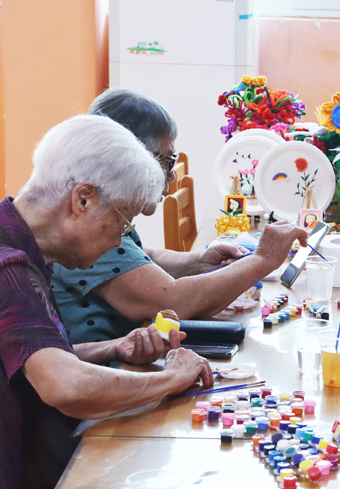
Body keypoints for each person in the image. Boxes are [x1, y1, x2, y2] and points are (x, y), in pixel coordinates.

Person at [0, 115, 215, 489]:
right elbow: (66, 387)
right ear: (83, 199)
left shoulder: (11, 238)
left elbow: (26, 362)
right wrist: (170, 379)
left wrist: (116, 348)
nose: (118, 241)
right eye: (121, 222)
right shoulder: (0, 266)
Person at [52, 88, 308, 344]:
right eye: (166, 162)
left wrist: (198, 261)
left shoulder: (103, 206)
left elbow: (141, 257)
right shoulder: (88, 219)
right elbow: (173, 302)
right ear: (126, 159)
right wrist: (264, 259)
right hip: (105, 368)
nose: (171, 177)